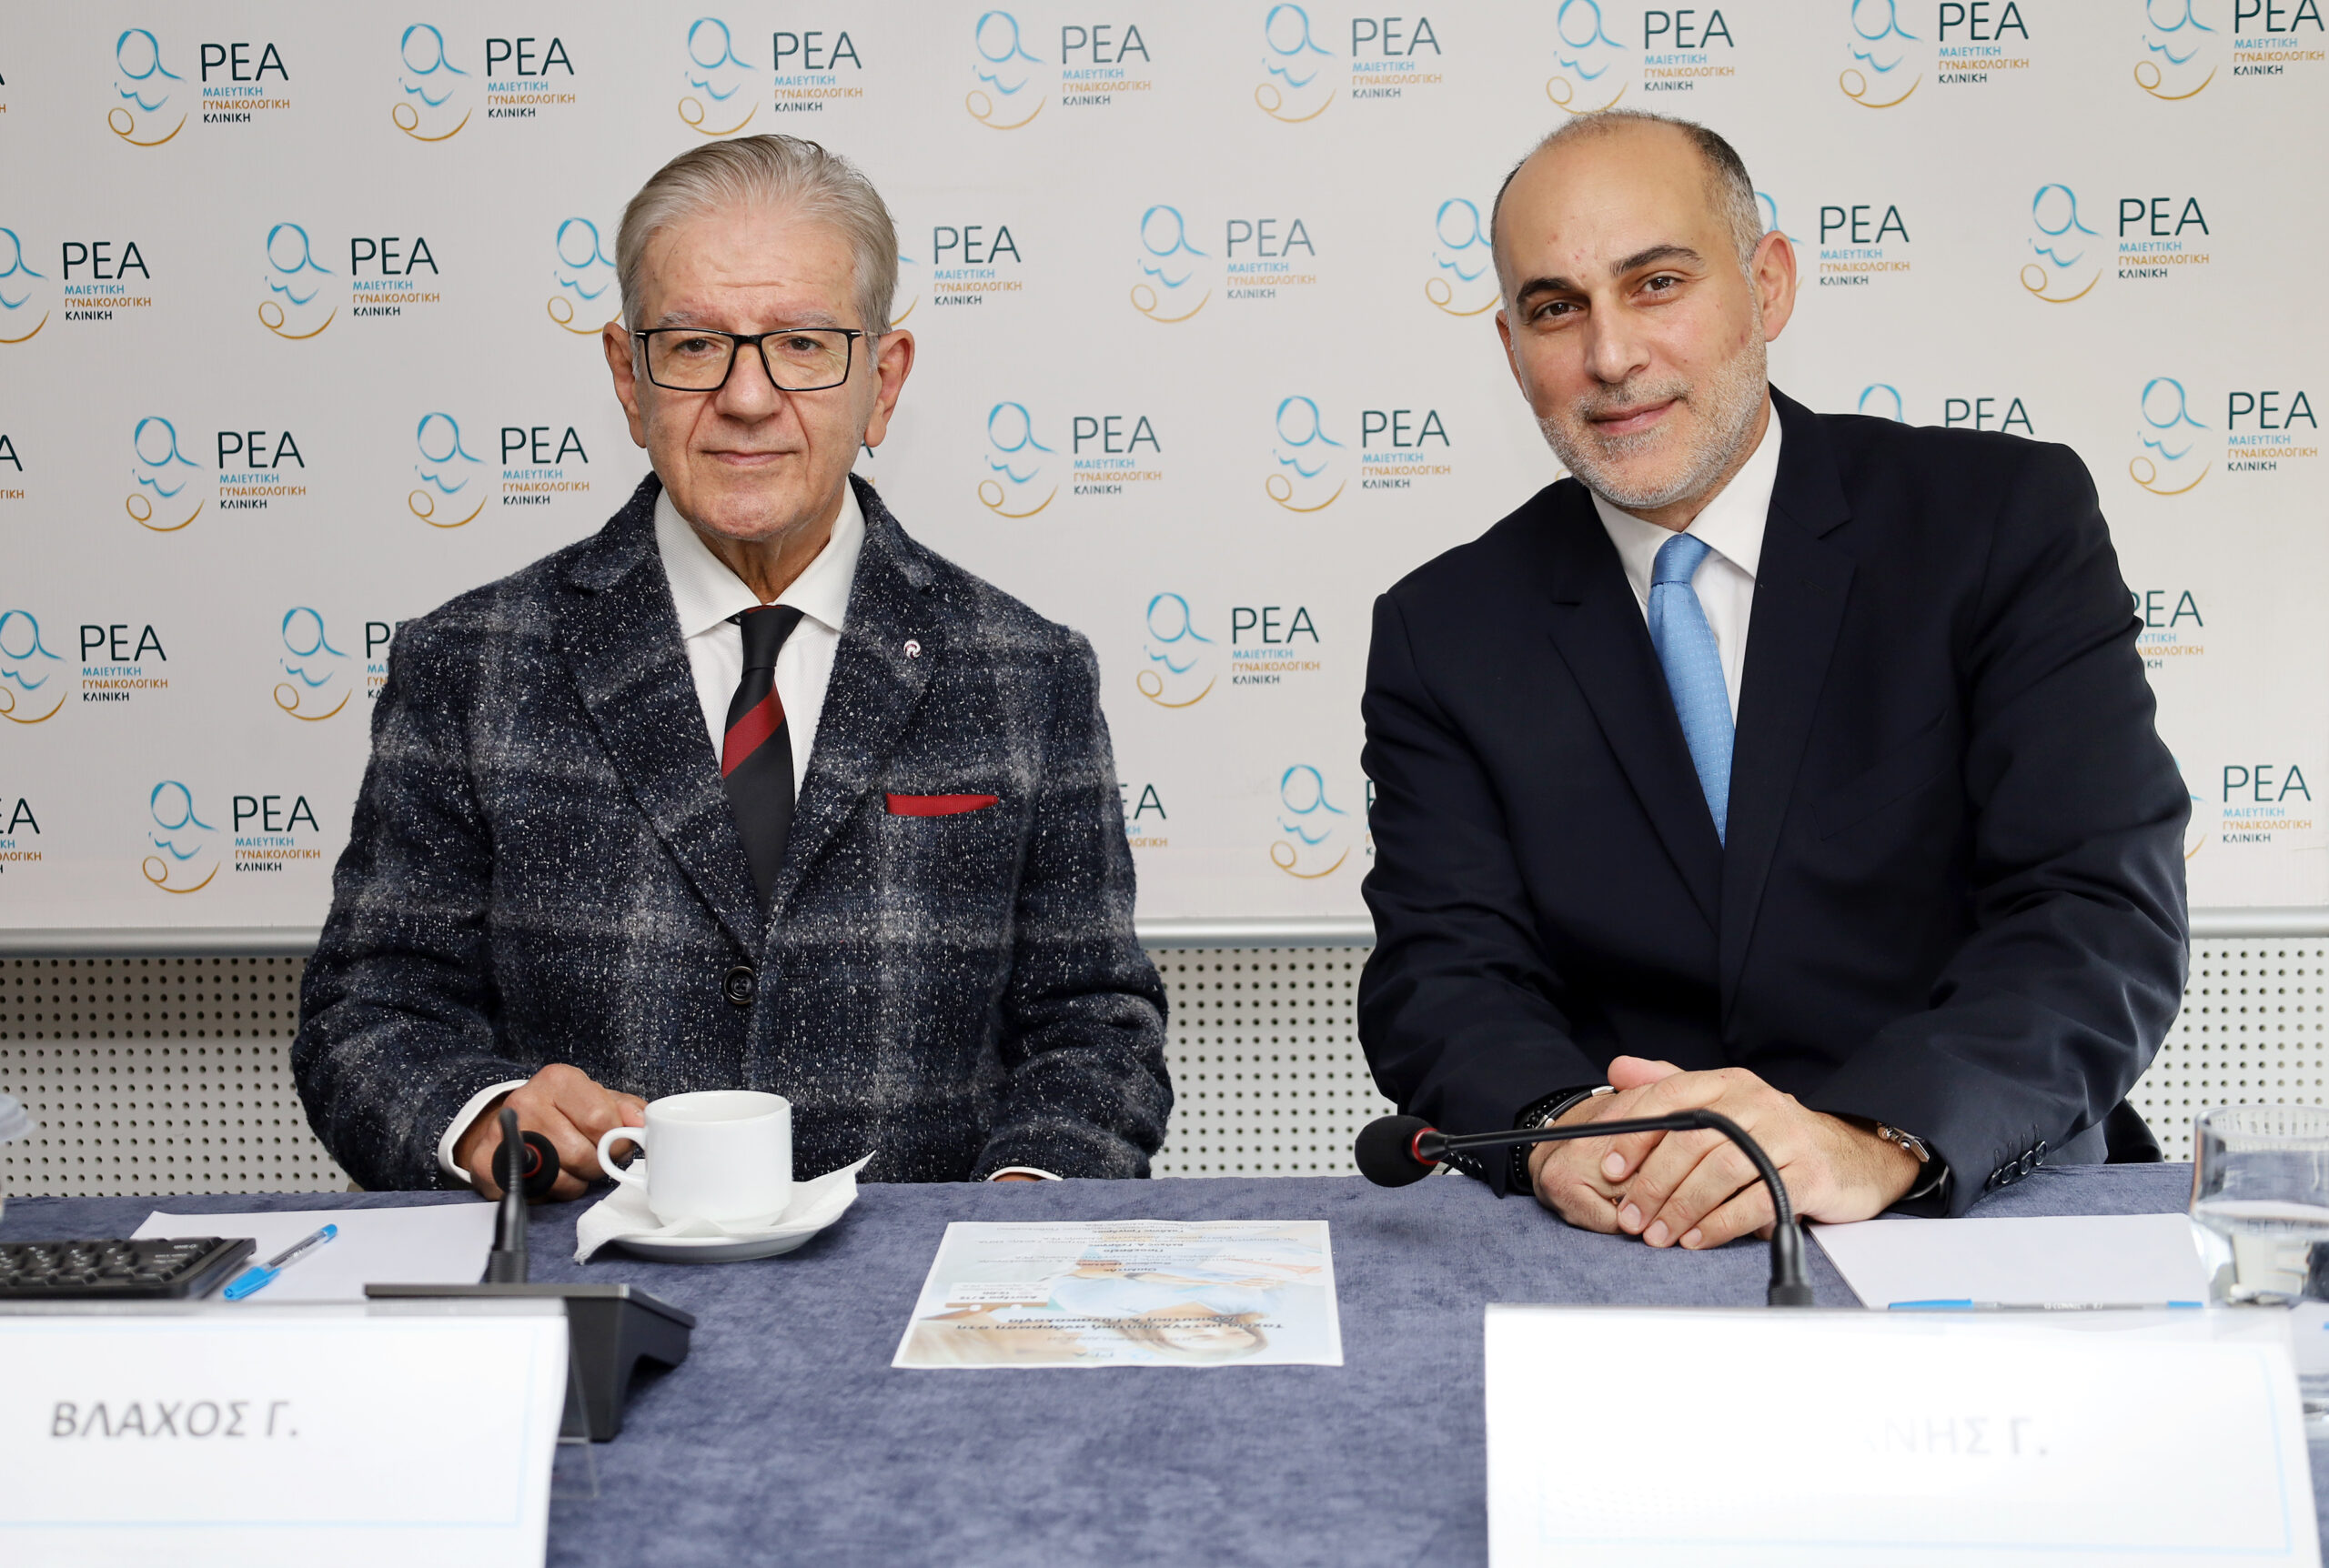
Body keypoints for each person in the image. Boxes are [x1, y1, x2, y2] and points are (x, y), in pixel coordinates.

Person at [1356, 111, 2188, 1249]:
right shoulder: (1441, 627)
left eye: (1655, 283)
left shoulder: (1999, 522)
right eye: (1556, 308)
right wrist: (1562, 1125)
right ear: (1511, 346)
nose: (1610, 356)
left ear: (1768, 285)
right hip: (1625, 1230)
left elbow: (2094, 914)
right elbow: (1444, 973)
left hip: (1964, 1204)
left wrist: (1869, 1137)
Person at [294, 136, 1171, 1196]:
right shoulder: (468, 665)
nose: (747, 396)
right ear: (628, 377)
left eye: (802, 344)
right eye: (694, 344)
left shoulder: (1029, 674)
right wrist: (486, 1119)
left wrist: (1021, 1217)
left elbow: (1092, 1027)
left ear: (883, 380)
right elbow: (370, 1014)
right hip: (592, 1272)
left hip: (925, 1280)